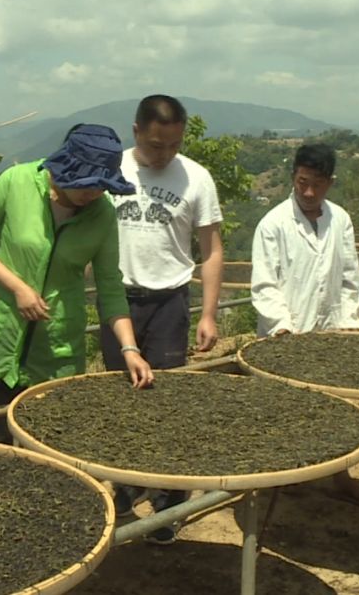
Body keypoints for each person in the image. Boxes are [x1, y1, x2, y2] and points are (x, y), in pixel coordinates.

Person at [0, 123, 154, 445]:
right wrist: (19, 288)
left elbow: (109, 284)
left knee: (50, 436)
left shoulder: (102, 214)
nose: (93, 193)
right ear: (65, 168)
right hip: (1, 333)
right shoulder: (15, 182)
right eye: (87, 184)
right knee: (2, 433)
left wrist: (130, 349)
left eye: (101, 186)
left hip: (57, 345)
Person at [101, 95, 224, 544]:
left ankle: (170, 499)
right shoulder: (111, 171)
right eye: (155, 145)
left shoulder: (196, 177)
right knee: (119, 397)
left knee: (168, 401)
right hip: (118, 300)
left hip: (170, 301)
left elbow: (211, 249)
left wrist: (208, 313)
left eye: (173, 145)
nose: (164, 154)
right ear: (136, 132)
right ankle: (125, 484)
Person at [250, 142, 359, 506]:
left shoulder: (340, 220)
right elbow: (265, 285)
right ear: (293, 177)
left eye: (317, 184)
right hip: (285, 334)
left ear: (330, 182)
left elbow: (349, 277)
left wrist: (347, 323)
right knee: (283, 407)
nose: (308, 192)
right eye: (302, 182)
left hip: (330, 330)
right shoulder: (273, 224)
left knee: (334, 406)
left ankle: (338, 474)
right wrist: (283, 327)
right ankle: (283, 477)